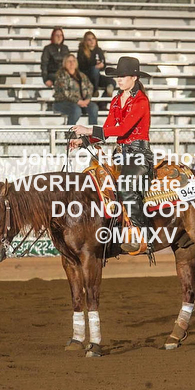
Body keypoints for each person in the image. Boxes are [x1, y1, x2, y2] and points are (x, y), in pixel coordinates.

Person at [70, 56, 153, 255]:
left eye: (123, 76)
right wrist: (84, 141)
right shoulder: (116, 100)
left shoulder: (141, 101)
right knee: (100, 187)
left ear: (134, 77)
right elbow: (108, 129)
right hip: (121, 154)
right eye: (118, 76)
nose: (119, 80)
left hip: (139, 154)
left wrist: (88, 130)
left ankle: (143, 237)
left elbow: (123, 129)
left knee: (125, 186)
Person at [53, 54, 98, 125]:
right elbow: (65, 93)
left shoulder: (82, 75)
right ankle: (70, 130)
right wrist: (78, 101)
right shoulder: (61, 76)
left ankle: (92, 130)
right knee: (76, 110)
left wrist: (87, 100)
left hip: (81, 102)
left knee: (94, 107)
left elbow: (90, 87)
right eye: (69, 61)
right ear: (65, 63)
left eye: (73, 61)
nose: (72, 63)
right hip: (63, 102)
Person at [77, 31, 116, 98]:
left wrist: (102, 65)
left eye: (93, 38)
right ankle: (94, 90)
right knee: (94, 70)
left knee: (112, 82)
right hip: (86, 77)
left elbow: (103, 64)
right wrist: (94, 64)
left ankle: (102, 102)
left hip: (97, 77)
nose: (92, 41)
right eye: (89, 40)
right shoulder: (81, 51)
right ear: (85, 42)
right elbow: (82, 66)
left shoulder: (98, 50)